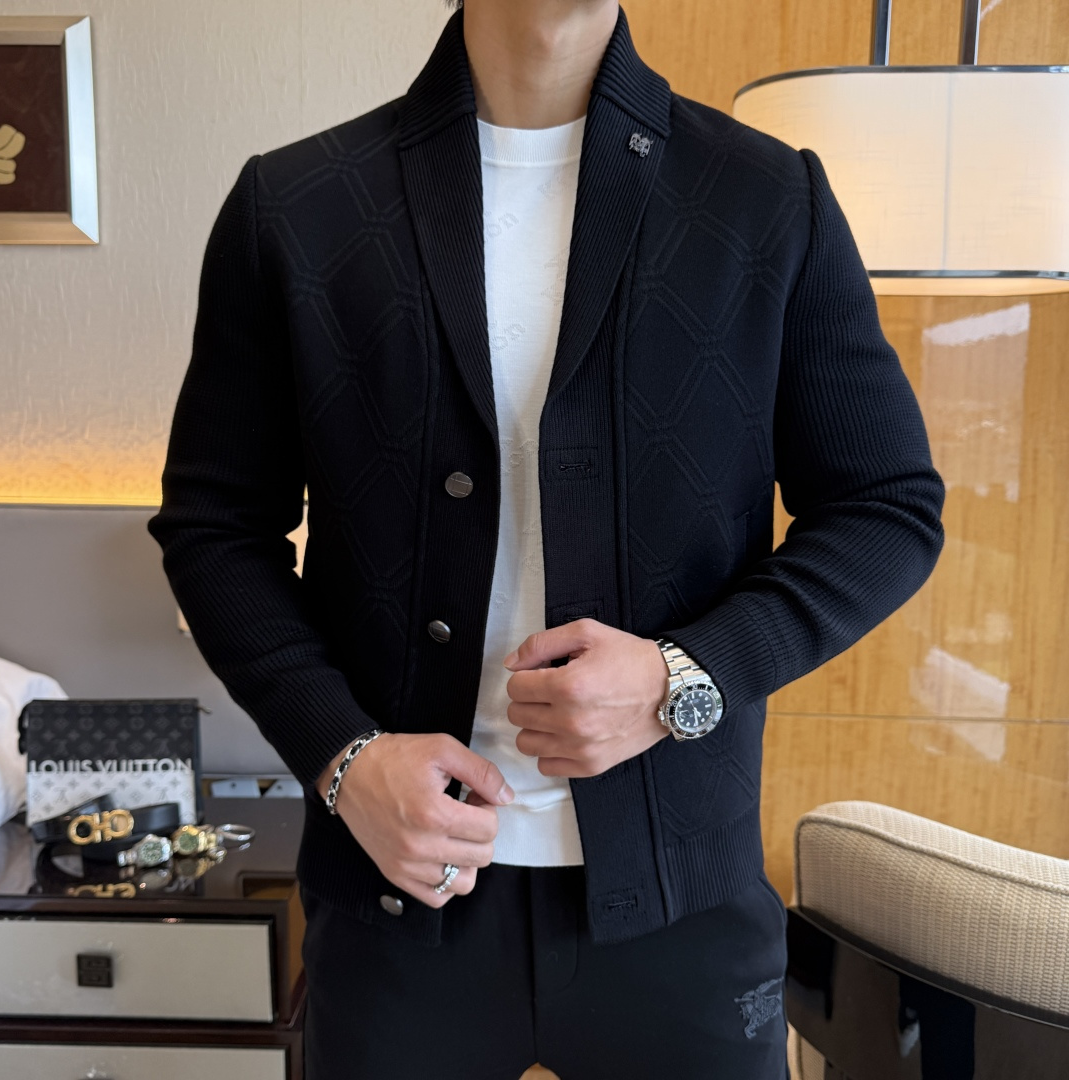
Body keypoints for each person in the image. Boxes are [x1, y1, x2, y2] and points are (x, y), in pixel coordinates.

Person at [149, 1, 945, 1076]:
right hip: (395, 904)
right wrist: (342, 757)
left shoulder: (765, 198)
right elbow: (214, 528)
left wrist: (682, 675)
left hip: (684, 906)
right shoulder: (297, 205)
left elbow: (888, 506)